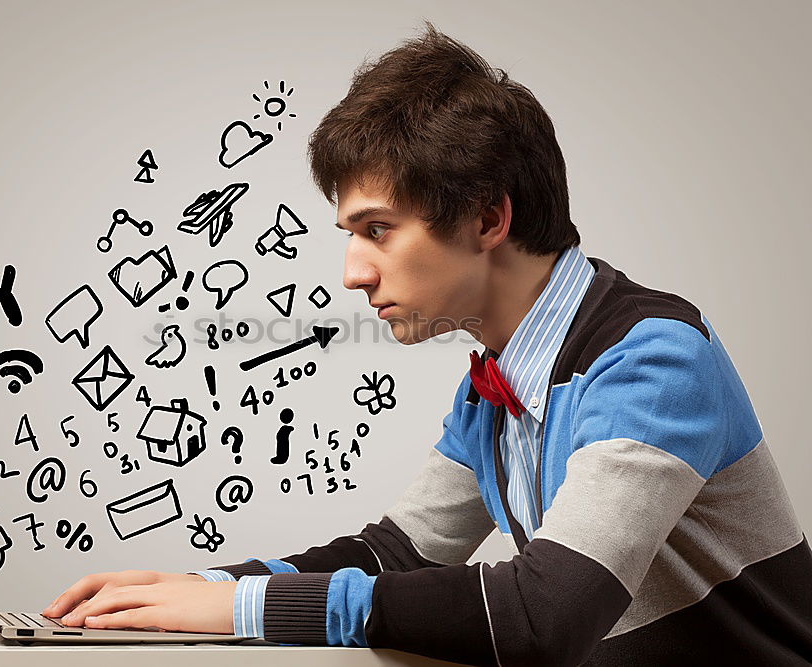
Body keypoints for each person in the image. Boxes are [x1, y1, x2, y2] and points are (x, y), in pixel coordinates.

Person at [43, 25, 812, 665]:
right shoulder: (496, 381)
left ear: (487, 218)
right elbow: (396, 554)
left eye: (378, 230)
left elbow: (541, 616)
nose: (351, 272)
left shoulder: (653, 357)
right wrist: (182, 592)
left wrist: (241, 606)